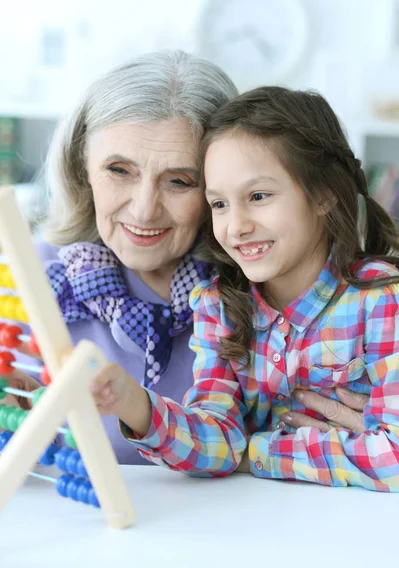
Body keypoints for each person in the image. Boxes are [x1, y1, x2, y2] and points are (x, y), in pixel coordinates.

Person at [87, 85, 399, 491]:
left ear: (323, 194)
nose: (236, 226)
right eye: (219, 204)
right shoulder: (219, 307)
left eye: (258, 196)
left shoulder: (381, 301)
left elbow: (392, 456)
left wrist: (259, 453)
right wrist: (135, 404)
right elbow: (217, 443)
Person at [0, 49, 238, 464]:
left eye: (180, 181)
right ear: (82, 168)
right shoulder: (34, 278)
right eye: (119, 170)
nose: (144, 209)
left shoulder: (252, 297)